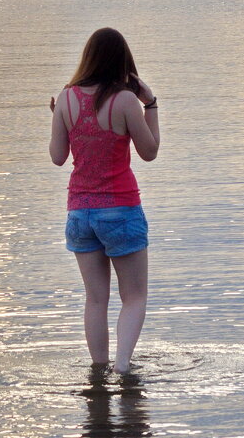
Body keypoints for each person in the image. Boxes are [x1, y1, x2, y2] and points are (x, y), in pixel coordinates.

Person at [49, 27, 160, 374]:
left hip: (79, 213)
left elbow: (57, 156)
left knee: (96, 299)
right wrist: (151, 103)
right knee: (134, 298)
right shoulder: (126, 101)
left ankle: (98, 372)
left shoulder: (66, 98)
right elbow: (150, 152)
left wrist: (57, 119)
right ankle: (123, 367)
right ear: (123, 62)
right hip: (120, 211)